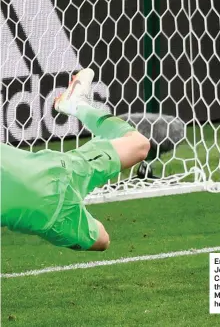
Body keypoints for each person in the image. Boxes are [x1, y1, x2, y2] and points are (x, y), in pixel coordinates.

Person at [1, 69, 150, 251]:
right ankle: (78, 105)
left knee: (102, 240)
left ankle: (78, 106)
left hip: (52, 202)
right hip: (55, 170)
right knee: (139, 144)